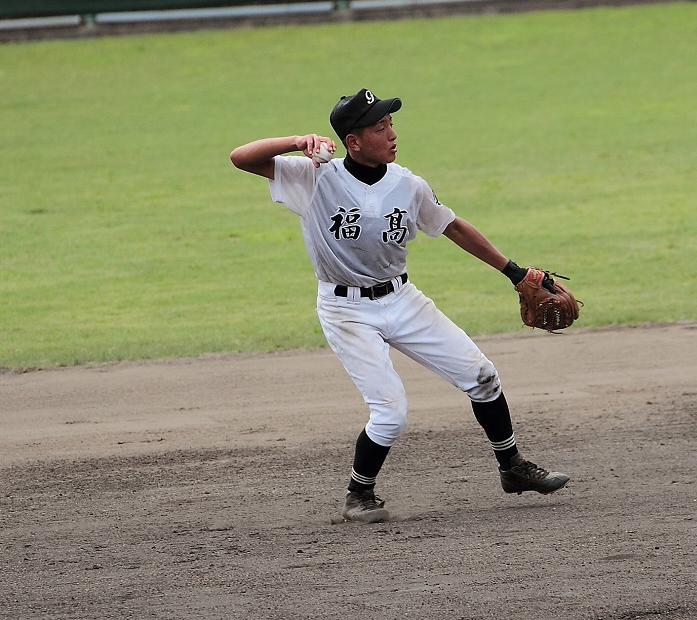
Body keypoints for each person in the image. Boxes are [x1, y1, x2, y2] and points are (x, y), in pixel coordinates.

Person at [229, 89, 569, 523]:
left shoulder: (407, 184)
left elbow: (453, 227)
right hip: (346, 310)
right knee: (390, 413)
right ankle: (359, 495)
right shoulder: (314, 177)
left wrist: (516, 273)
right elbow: (241, 157)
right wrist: (297, 141)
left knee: (482, 377)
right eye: (379, 127)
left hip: (402, 299)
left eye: (390, 124)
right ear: (354, 142)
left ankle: (512, 467)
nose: (392, 134)